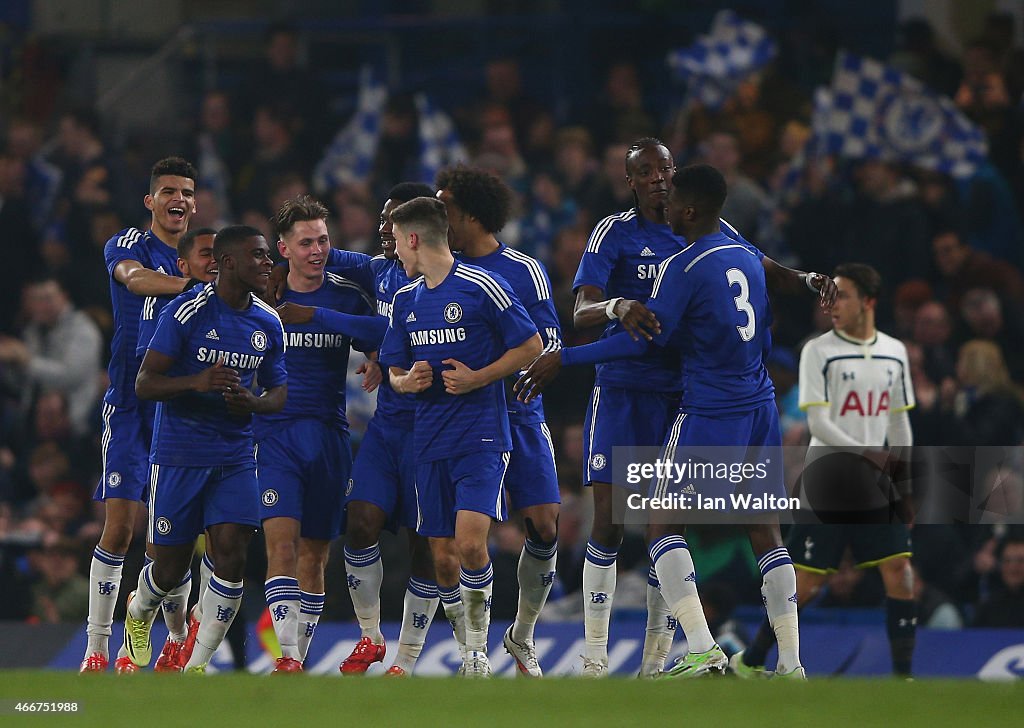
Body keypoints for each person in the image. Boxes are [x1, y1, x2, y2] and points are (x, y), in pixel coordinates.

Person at [518, 137, 832, 677]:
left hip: (688, 398)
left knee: (667, 526)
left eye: (667, 169)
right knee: (613, 524)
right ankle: (596, 656)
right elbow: (583, 309)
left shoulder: (696, 249)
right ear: (631, 181)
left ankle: (666, 657)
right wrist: (616, 304)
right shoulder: (618, 233)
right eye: (647, 171)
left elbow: (761, 267)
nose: (659, 178)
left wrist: (802, 278)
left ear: (682, 191)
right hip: (630, 393)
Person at [379, 197, 542, 677]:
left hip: (481, 436)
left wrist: (480, 377)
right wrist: (404, 382)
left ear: (413, 238)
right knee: (443, 555)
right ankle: (468, 645)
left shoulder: (481, 286)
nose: (396, 253)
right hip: (428, 441)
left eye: (397, 240)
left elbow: (531, 344)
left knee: (471, 543)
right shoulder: (406, 300)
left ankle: (477, 653)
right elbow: (392, 368)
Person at [734, 263, 917, 678]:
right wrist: (869, 453)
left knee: (900, 571)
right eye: (830, 294)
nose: (832, 303)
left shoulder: (894, 351)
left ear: (868, 302)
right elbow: (818, 424)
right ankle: (751, 659)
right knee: (808, 584)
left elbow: (899, 422)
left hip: (878, 484)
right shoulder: (819, 350)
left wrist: (903, 481)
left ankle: (905, 680)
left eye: (843, 295)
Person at [123, 225, 287, 673]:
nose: (268, 264)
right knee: (170, 571)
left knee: (232, 554)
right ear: (228, 262)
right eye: (258, 256)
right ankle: (139, 611)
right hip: (179, 456)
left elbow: (279, 393)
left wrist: (252, 403)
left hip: (234, 456)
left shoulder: (268, 322)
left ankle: (197, 663)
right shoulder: (186, 312)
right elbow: (145, 383)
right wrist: (196, 382)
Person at [435, 165, 561, 677]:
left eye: (445, 207)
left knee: (546, 527)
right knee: (466, 539)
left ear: (469, 214)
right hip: (467, 421)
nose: (439, 217)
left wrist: (506, 372)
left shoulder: (523, 270)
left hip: (521, 412)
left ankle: (522, 635)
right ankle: (473, 649)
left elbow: (549, 342)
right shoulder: (439, 270)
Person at [80, 157, 202, 673]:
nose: (179, 199)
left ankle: (170, 639)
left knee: (167, 537)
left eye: (188, 192)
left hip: (179, 411)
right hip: (130, 406)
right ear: (151, 201)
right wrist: (200, 288)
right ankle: (96, 649)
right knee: (119, 528)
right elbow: (133, 281)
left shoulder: (205, 257)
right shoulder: (128, 244)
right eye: (169, 191)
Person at [255, 195, 383, 673]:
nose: (317, 250)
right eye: (306, 242)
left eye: (323, 240)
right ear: (284, 249)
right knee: (281, 545)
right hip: (274, 436)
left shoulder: (346, 296)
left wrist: (378, 357)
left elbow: (387, 333)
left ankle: (297, 657)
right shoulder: (261, 298)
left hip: (330, 437)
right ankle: (285, 656)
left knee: (315, 554)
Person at [339, 182, 453, 677]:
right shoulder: (378, 270)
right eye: (383, 221)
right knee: (359, 522)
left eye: (394, 222)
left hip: (434, 428)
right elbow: (327, 256)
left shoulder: (451, 281)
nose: (385, 231)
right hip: (387, 427)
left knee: (421, 545)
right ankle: (370, 637)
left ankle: (406, 659)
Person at [132, 226, 219, 671]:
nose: (216, 261)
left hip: (230, 447)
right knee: (170, 556)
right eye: (207, 254)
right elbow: (146, 380)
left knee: (227, 544)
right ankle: (156, 622)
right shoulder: (174, 310)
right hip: (174, 443)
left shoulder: (249, 309)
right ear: (183, 267)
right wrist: (197, 383)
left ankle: (188, 647)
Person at [0, 276, 103, 436]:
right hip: (32, 422)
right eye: (36, 300)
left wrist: (27, 361)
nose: (41, 305)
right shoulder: (32, 331)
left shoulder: (83, 330)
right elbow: (22, 384)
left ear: (64, 296)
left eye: (47, 298)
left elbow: (70, 376)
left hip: (72, 426)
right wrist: (12, 363)